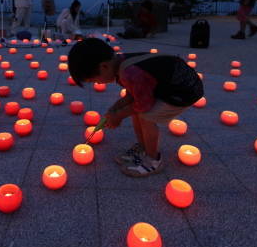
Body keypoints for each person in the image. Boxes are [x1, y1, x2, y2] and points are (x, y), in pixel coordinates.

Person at [68, 38, 203, 177]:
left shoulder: (130, 72)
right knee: (138, 111)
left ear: (104, 67)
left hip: (184, 91)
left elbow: (143, 104)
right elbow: (134, 94)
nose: (97, 83)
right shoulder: (120, 63)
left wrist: (118, 116)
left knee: (146, 115)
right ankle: (143, 147)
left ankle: (153, 160)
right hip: (168, 85)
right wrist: (114, 109)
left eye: (94, 80)